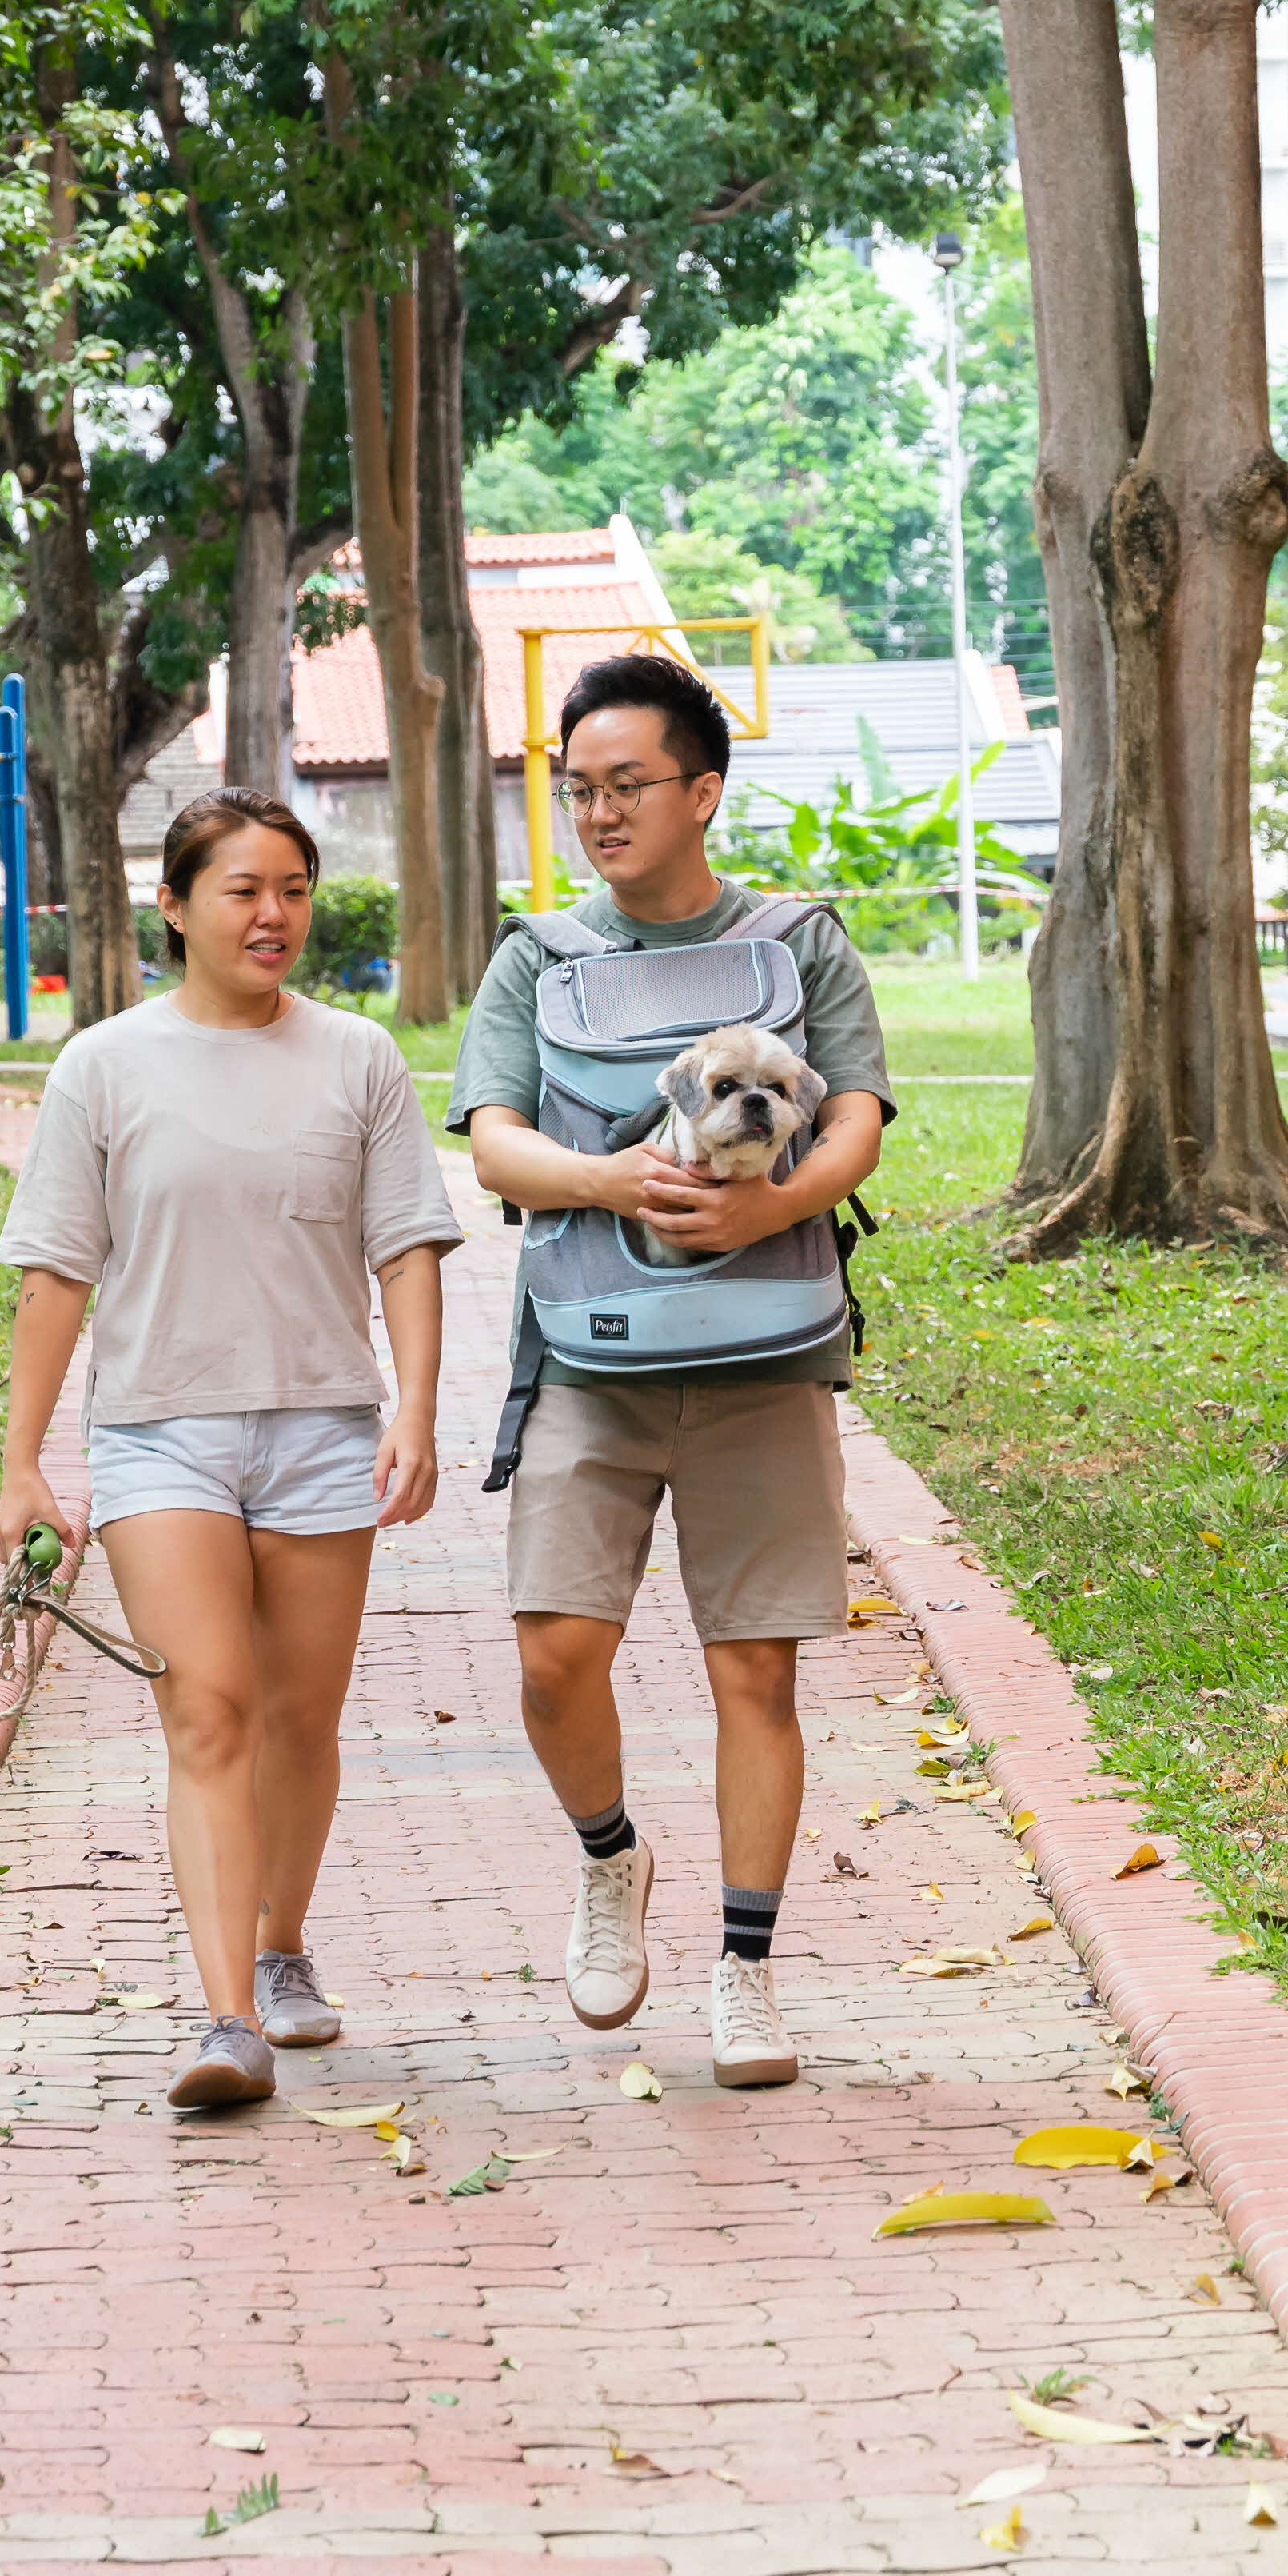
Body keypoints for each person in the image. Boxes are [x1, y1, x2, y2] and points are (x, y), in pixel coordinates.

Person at [0, 789, 459, 2115]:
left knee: (300, 1719)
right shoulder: (103, 1066)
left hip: (320, 1427)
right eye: (245, 889)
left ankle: (283, 1943)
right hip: (158, 1435)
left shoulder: (359, 1056)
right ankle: (227, 2017)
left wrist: (413, 1410)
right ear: (176, 907)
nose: (275, 915)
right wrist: (25, 1466)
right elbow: (54, 1273)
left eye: (296, 889)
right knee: (208, 1713)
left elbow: (407, 1246)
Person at [453, 650, 891, 2087]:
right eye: (578, 788)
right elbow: (493, 1138)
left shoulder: (802, 940)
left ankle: (748, 1972)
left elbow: (859, 1120)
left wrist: (772, 1203)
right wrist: (607, 1179)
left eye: (628, 784)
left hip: (768, 1352)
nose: (598, 812)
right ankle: (609, 1859)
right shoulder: (538, 953)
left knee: (753, 1668)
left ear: (704, 790)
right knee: (551, 1654)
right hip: (591, 1348)